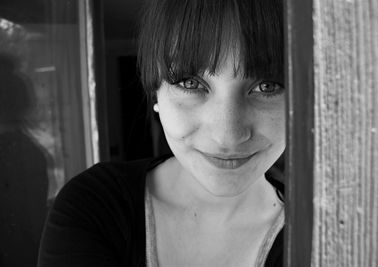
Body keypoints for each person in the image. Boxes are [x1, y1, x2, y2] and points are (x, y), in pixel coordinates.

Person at [38, 0, 285, 266]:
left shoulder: (324, 235)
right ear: (155, 91)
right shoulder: (93, 207)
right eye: (190, 83)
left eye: (267, 86)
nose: (227, 136)